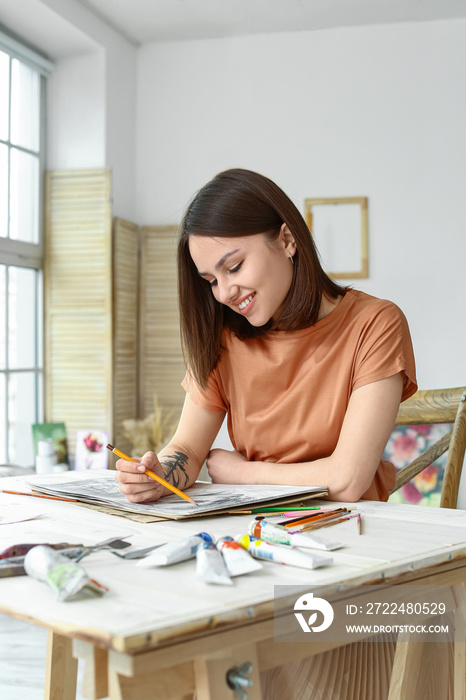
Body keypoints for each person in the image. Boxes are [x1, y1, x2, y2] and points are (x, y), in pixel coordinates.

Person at [115, 168, 417, 505]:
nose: (224, 293)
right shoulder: (225, 340)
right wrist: (156, 477)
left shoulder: (374, 324)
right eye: (211, 280)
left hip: (351, 533)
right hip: (252, 530)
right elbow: (186, 449)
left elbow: (346, 481)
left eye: (234, 267)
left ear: (287, 240)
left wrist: (244, 473)